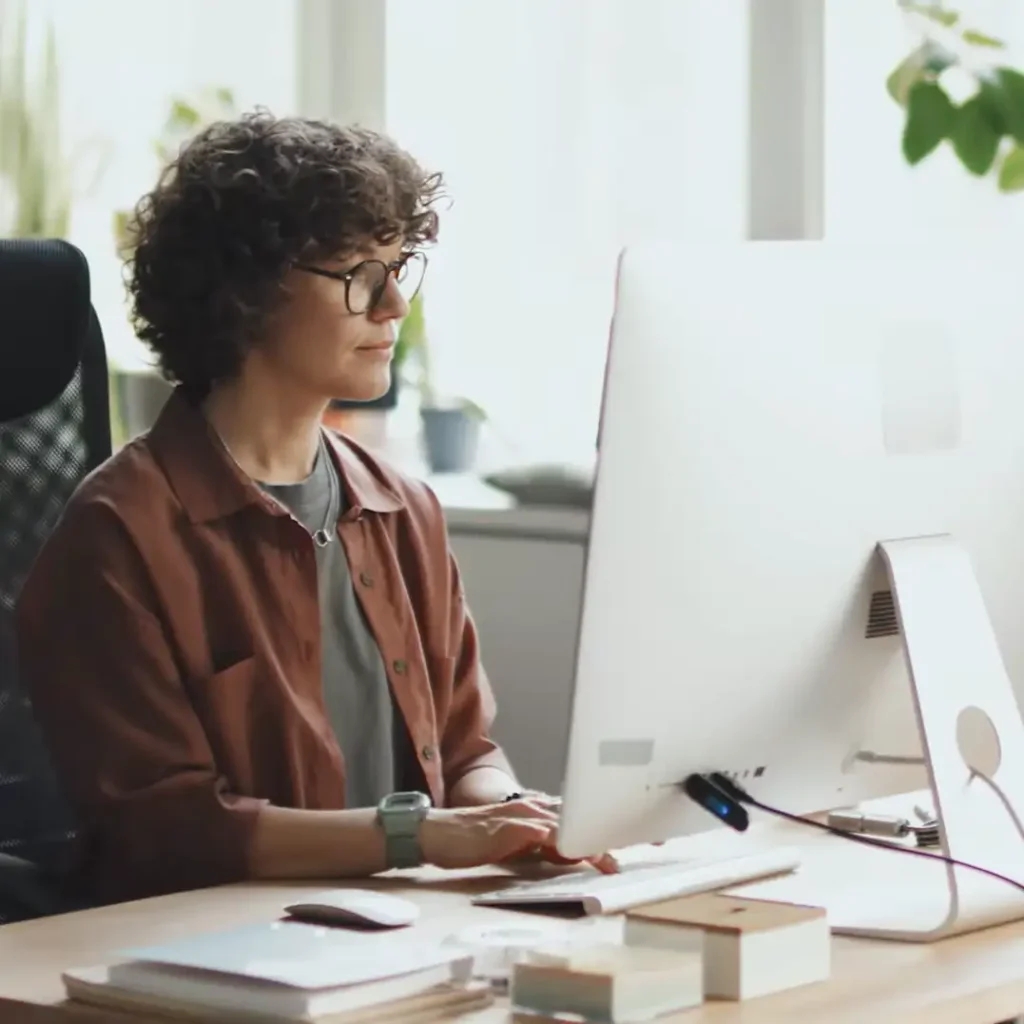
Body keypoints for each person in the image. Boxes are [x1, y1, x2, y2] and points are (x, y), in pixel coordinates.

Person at [16, 112, 613, 907]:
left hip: (392, 935)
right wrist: (419, 836)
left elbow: (467, 751)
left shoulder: (403, 508)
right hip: (198, 952)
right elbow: (171, 828)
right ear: (247, 291)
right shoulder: (119, 536)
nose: (394, 304)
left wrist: (510, 816)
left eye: (400, 267)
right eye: (363, 273)